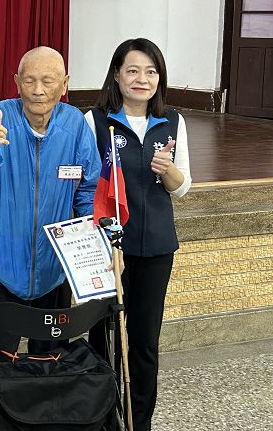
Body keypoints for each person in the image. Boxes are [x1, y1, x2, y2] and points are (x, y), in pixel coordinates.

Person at [0, 46, 100, 430]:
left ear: (64, 85)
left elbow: (88, 189)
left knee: (50, 365)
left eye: (48, 81)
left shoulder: (75, 126)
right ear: (16, 82)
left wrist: (90, 244)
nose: (38, 90)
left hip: (54, 271)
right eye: (29, 80)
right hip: (0, 268)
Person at [85, 38, 191, 431]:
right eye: (132, 70)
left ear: (159, 78)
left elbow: (182, 187)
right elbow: (86, 185)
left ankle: (138, 421)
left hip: (156, 248)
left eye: (150, 72)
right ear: (117, 75)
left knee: (145, 342)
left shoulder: (173, 121)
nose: (141, 79)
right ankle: (102, 419)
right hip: (108, 249)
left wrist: (169, 171)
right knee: (104, 337)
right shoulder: (96, 121)